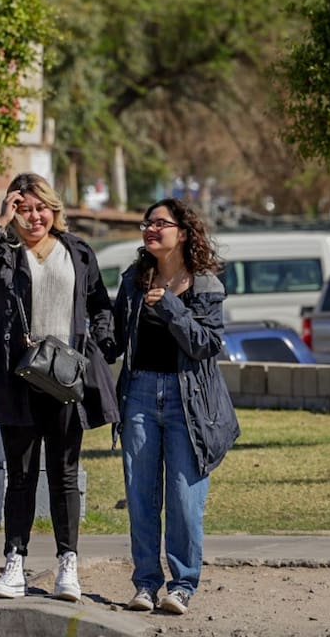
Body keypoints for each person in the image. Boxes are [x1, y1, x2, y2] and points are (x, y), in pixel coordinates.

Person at [0, 172, 119, 603]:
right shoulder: (3, 251)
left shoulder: (78, 251)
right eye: (23, 209)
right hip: (18, 377)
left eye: (39, 207)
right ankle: (14, 563)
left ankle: (68, 564)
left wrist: (99, 346)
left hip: (65, 376)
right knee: (22, 476)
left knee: (64, 475)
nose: (33, 217)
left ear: (54, 208)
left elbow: (101, 305)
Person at [111, 198, 239, 616]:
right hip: (141, 395)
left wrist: (168, 306)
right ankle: (146, 583)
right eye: (147, 223)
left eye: (159, 223)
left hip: (190, 403)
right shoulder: (134, 279)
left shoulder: (205, 285)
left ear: (182, 232)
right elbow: (112, 333)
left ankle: (182, 585)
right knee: (141, 496)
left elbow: (205, 344)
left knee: (185, 500)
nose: (150, 229)